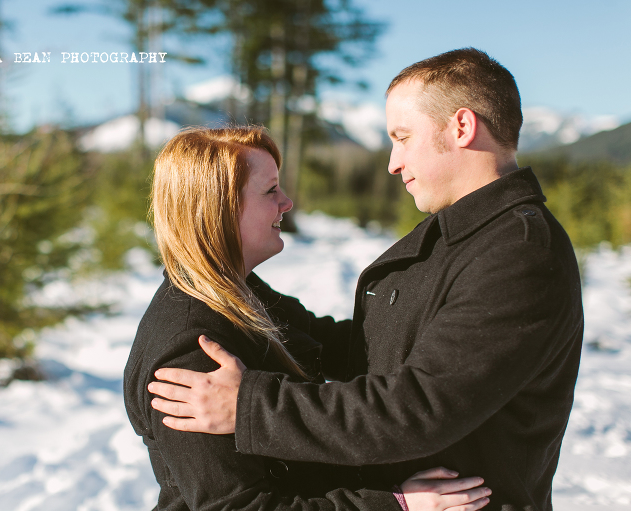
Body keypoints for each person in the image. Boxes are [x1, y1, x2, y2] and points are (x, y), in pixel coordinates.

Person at [147, 49, 584, 511]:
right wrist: (228, 286)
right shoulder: (464, 235)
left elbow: (418, 407)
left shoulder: (517, 251)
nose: (393, 162)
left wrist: (250, 409)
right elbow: (381, 347)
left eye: (403, 136)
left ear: (461, 127)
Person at [125, 126, 493, 510]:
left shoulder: (241, 294)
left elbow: (338, 345)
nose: (287, 202)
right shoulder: (193, 348)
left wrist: (455, 333)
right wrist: (396, 505)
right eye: (270, 191)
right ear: (215, 207)